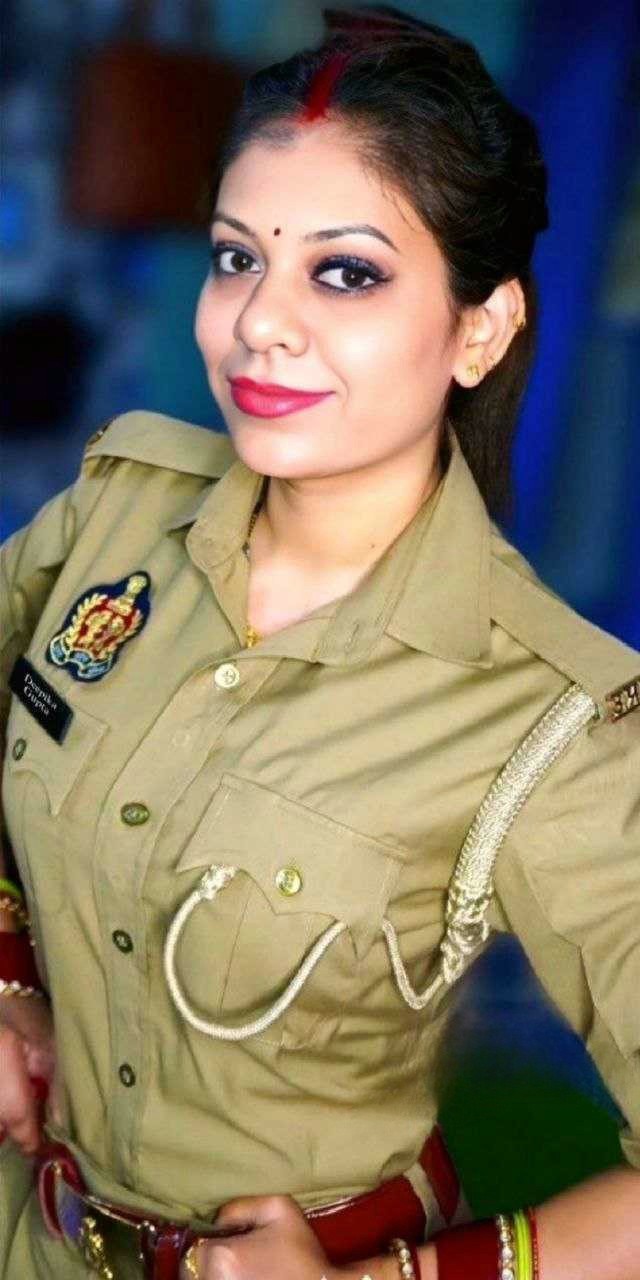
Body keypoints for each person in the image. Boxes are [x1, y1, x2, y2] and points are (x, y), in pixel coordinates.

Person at [1, 5, 639, 1278]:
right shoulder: (116, 510)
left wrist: (397, 1277)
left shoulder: (546, 713)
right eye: (238, 257)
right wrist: (8, 971)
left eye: (344, 272)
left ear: (481, 327)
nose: (261, 321)